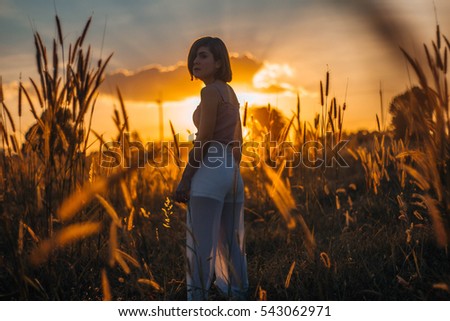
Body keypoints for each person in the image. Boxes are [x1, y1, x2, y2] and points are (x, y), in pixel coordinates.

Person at [174, 36, 248, 300]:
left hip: (210, 172)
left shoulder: (209, 92)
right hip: (232, 173)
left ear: (219, 62)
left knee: (200, 248)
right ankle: (239, 301)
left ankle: (198, 306)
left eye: (203, 55)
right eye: (195, 55)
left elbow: (203, 139)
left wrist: (185, 178)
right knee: (233, 247)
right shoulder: (231, 93)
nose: (196, 60)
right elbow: (238, 142)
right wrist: (230, 170)